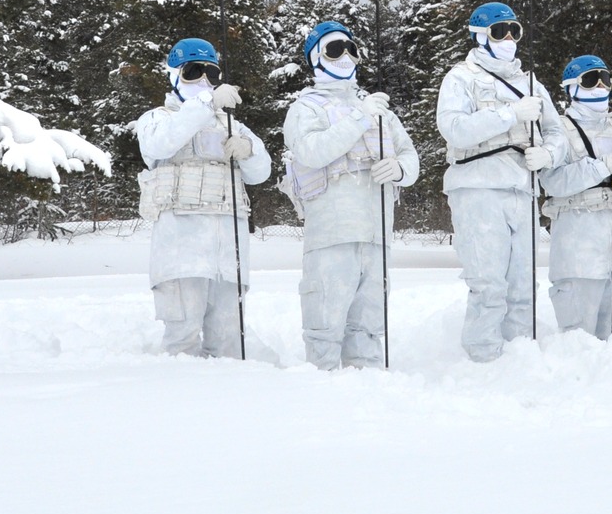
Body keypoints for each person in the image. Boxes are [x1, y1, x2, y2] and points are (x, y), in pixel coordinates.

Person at [280, 20, 419, 369]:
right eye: (334, 49)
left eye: (350, 48)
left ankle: (368, 393)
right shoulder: (306, 108)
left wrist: (401, 169)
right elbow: (312, 151)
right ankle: (322, 393)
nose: (345, 56)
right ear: (316, 58)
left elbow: (410, 153)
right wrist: (358, 117)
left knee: (370, 326)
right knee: (325, 321)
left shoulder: (376, 108)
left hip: (376, 234)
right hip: (332, 233)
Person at [435, 1, 563, 362]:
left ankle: (519, 357)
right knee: (488, 282)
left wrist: (549, 154)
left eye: (514, 31)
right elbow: (454, 128)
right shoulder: (461, 77)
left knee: (522, 284)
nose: (509, 38)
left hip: (521, 188)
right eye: (499, 31)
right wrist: (509, 115)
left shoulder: (531, 83)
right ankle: (483, 357)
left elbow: (556, 131)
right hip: (478, 186)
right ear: (480, 36)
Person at [135, 37, 271, 357]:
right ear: (174, 76)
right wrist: (206, 103)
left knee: (228, 342)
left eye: (211, 73)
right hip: (181, 249)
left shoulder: (230, 124)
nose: (204, 81)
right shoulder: (158, 119)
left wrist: (248, 151)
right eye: (194, 72)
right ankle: (183, 400)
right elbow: (158, 146)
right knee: (181, 336)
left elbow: (261, 172)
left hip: (228, 253)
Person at [541, 54, 612, 338]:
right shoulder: (560, 130)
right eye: (591, 80)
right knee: (579, 335)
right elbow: (551, 181)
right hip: (578, 245)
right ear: (571, 88)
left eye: (606, 80)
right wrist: (600, 167)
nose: (601, 87)